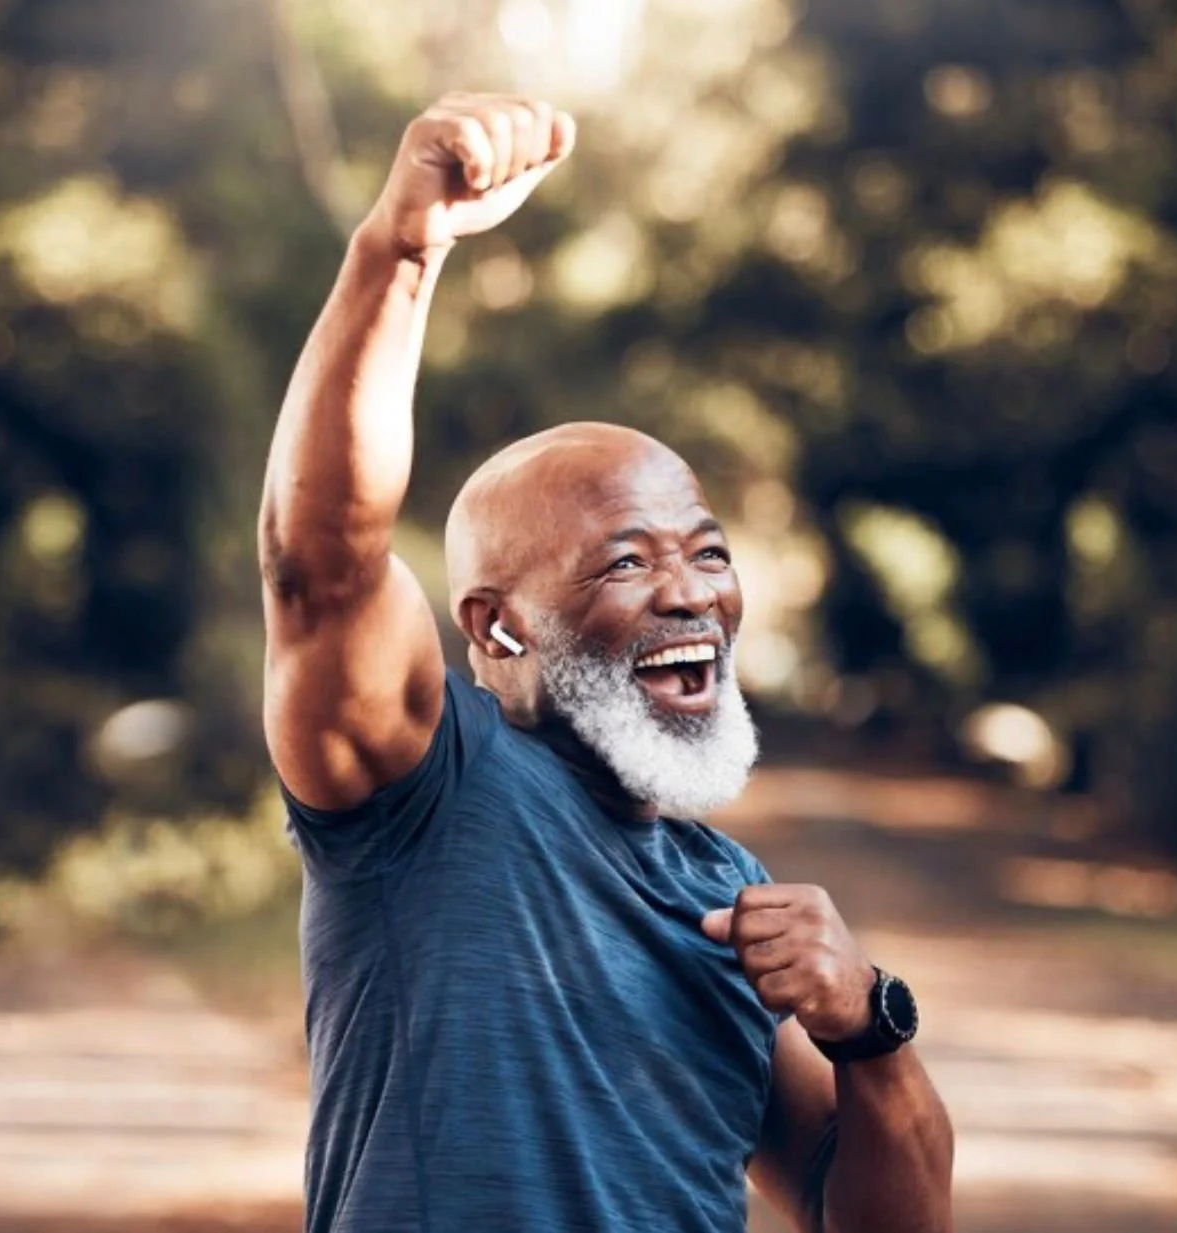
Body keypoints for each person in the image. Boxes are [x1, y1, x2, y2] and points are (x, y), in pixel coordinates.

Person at [258, 92, 954, 1233]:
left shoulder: (726, 890)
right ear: (494, 630)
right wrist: (401, 249)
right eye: (626, 563)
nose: (690, 590)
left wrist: (867, 1029)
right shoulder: (424, 797)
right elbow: (318, 565)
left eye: (708, 553)